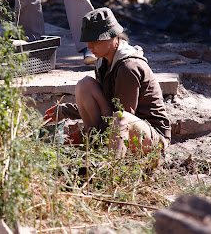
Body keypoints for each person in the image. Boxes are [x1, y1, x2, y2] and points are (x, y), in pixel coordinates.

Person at [44, 8, 171, 156]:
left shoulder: (128, 67)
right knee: (85, 85)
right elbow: (104, 105)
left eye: (94, 42)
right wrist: (64, 111)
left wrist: (86, 134)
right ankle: (98, 148)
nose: (89, 48)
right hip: (121, 126)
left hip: (152, 137)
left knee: (120, 118)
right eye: (87, 42)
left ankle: (112, 168)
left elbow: (123, 117)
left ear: (112, 37)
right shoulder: (102, 61)